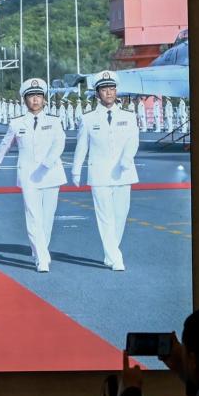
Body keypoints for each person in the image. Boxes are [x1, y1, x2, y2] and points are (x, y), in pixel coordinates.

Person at [0, 77, 66, 272]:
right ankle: (41, 257)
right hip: (28, 175)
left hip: (51, 174)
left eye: (39, 96)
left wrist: (48, 162)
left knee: (47, 217)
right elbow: (6, 142)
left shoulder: (54, 121)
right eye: (31, 96)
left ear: (44, 99)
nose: (35, 100)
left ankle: (41, 248)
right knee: (33, 216)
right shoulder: (17, 123)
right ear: (24, 99)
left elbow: (59, 144)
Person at [71, 70, 139, 271]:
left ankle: (111, 252)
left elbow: (133, 141)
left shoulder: (129, 116)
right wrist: (76, 171)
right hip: (99, 174)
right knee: (105, 217)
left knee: (120, 216)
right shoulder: (88, 119)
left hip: (123, 172)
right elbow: (81, 147)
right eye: (104, 90)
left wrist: (127, 159)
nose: (109, 93)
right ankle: (116, 258)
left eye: (112, 89)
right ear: (97, 93)